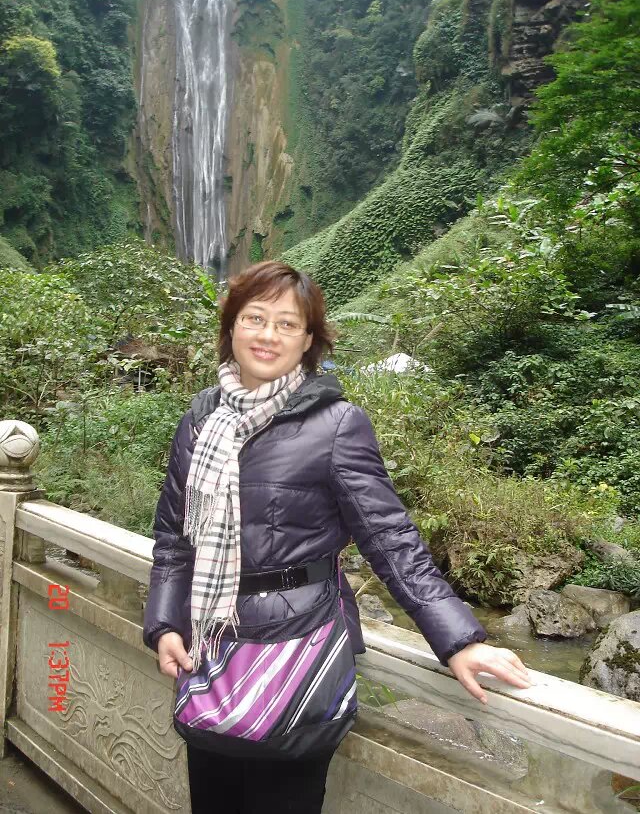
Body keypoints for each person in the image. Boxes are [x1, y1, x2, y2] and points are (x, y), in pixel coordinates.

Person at [142, 260, 531, 814]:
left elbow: (391, 539)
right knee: (212, 799)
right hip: (210, 647)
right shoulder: (201, 420)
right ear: (232, 327)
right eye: (255, 318)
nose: (268, 335)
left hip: (298, 646)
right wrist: (164, 624)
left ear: (308, 341)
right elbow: (175, 538)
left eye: (287, 324)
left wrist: (460, 641)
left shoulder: (338, 423)